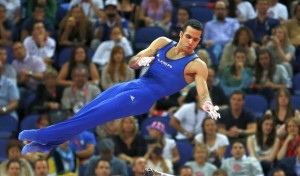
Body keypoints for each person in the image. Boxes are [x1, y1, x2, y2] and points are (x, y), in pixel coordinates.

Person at [19, 19, 221, 154]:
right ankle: (48, 145)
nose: (191, 42)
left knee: (93, 116)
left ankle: (42, 136)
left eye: (196, 40)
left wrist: (208, 105)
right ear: (180, 34)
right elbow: (132, 63)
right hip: (132, 84)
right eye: (188, 37)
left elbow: (203, 92)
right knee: (85, 112)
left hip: (142, 99)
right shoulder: (162, 42)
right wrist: (141, 61)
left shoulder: (197, 65)